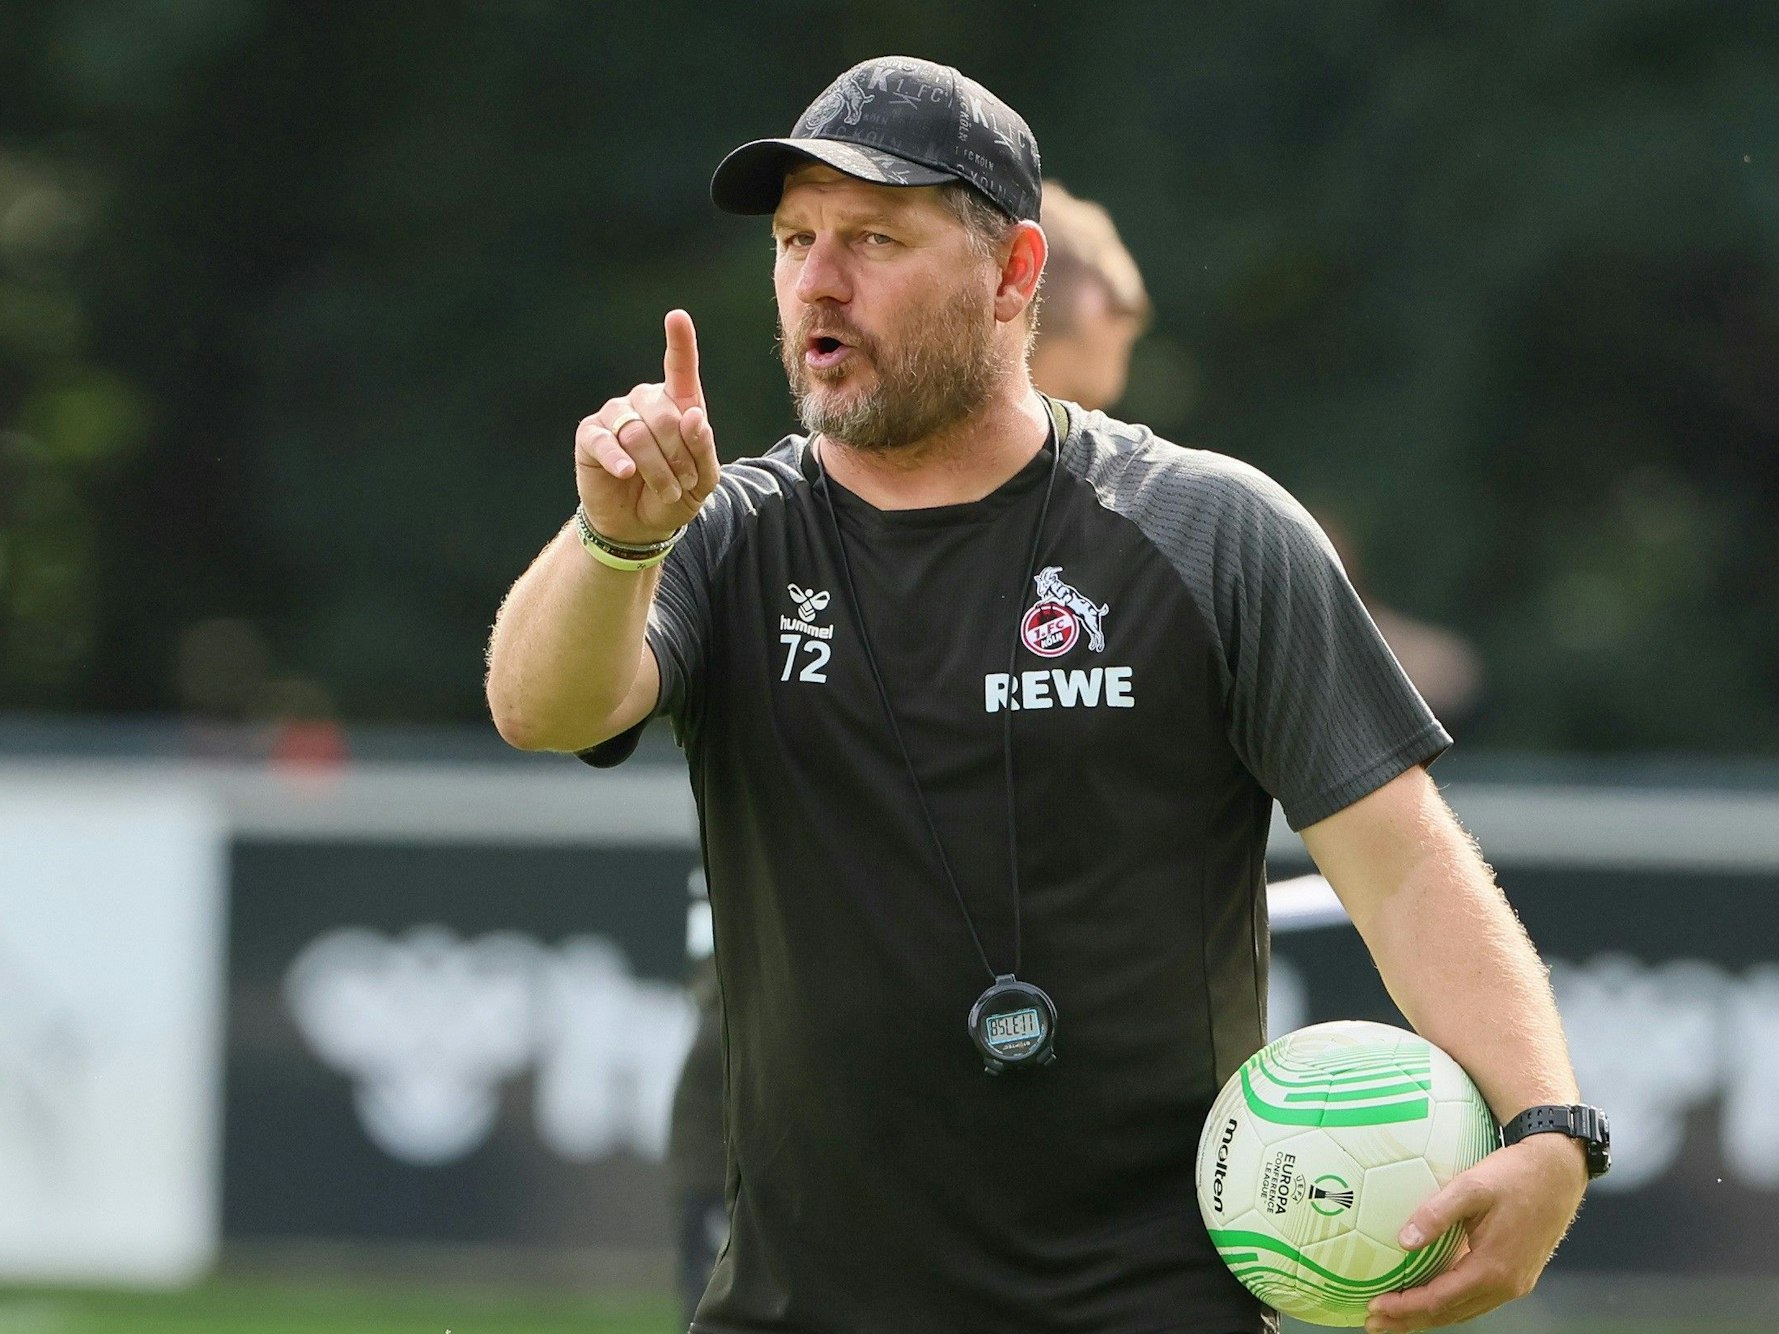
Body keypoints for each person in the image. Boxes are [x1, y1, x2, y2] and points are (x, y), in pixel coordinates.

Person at [486, 56, 1604, 1334]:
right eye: (796, 240)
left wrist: (1548, 1120)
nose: (818, 282)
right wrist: (615, 538)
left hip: (1150, 1306)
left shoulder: (1210, 531)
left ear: (1017, 272)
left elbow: (1401, 863)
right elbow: (543, 706)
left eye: (873, 238)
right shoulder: (729, 533)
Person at [662, 176, 1157, 1327]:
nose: (1095, 434)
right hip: (790, 1135)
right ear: (1019, 308)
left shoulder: (1139, 537)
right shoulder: (779, 539)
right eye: (1086, 381)